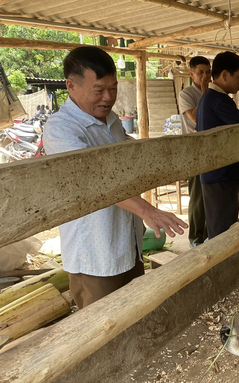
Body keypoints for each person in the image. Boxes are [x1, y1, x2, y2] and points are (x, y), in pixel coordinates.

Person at [43, 46, 187, 309]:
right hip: (95, 256)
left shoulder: (112, 121)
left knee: (133, 315)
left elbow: (127, 156)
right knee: (102, 329)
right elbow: (94, 179)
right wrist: (146, 210)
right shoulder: (61, 129)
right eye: (99, 90)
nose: (108, 97)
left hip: (127, 243)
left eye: (113, 88)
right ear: (71, 86)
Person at [196, 51, 239, 238]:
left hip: (219, 174)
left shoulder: (211, 99)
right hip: (220, 176)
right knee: (222, 232)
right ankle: (220, 266)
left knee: (223, 226)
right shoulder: (218, 100)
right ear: (224, 75)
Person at [178, 56, 211, 248]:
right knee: (198, 196)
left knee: (211, 194)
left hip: (211, 151)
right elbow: (198, 120)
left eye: (208, 72)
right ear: (192, 74)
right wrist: (206, 94)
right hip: (194, 152)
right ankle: (196, 238)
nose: (205, 76)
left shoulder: (214, 92)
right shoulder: (187, 95)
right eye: (201, 72)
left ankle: (209, 234)